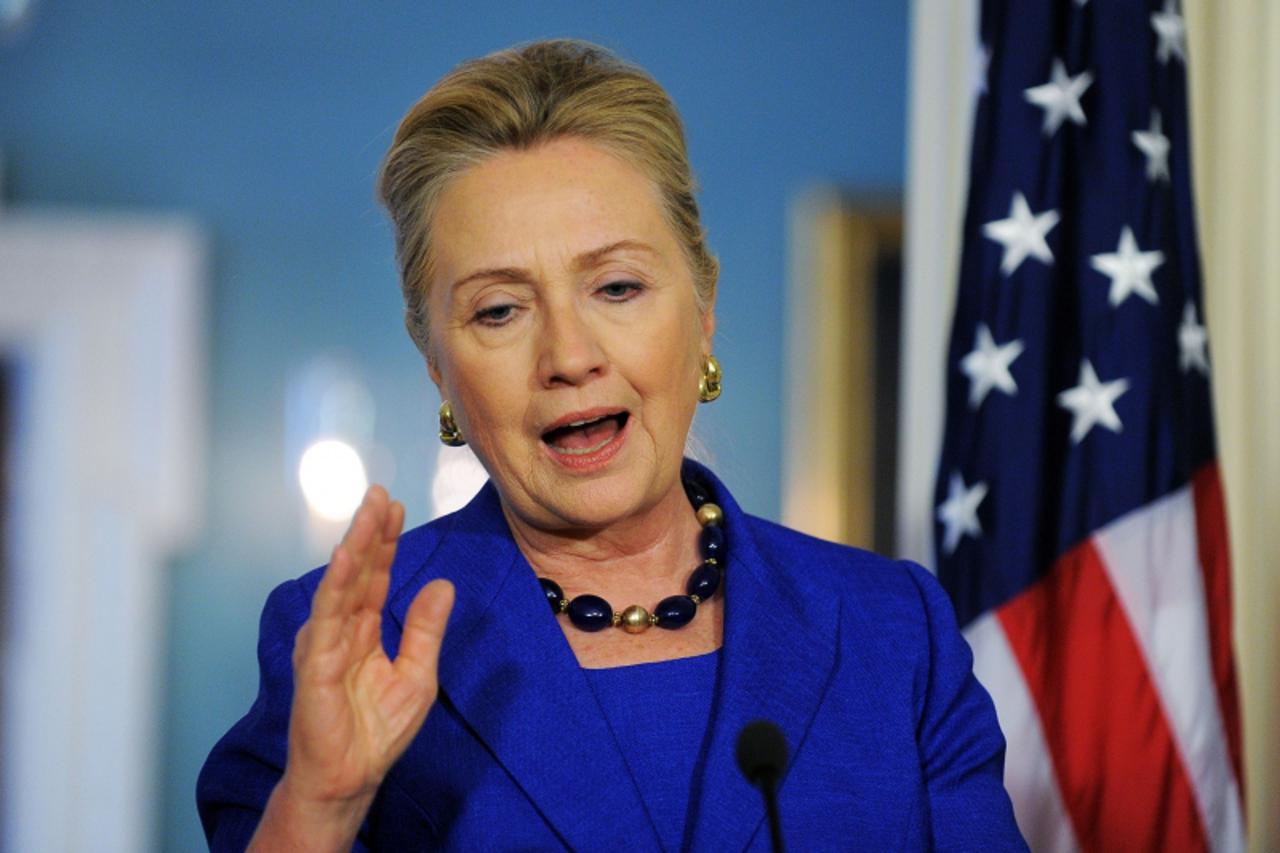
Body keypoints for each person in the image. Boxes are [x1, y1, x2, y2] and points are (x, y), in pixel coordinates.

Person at [197, 39, 1027, 851]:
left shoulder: (892, 629)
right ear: (437, 368)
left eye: (617, 287)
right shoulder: (345, 643)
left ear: (702, 311)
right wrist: (320, 807)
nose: (569, 356)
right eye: (499, 311)